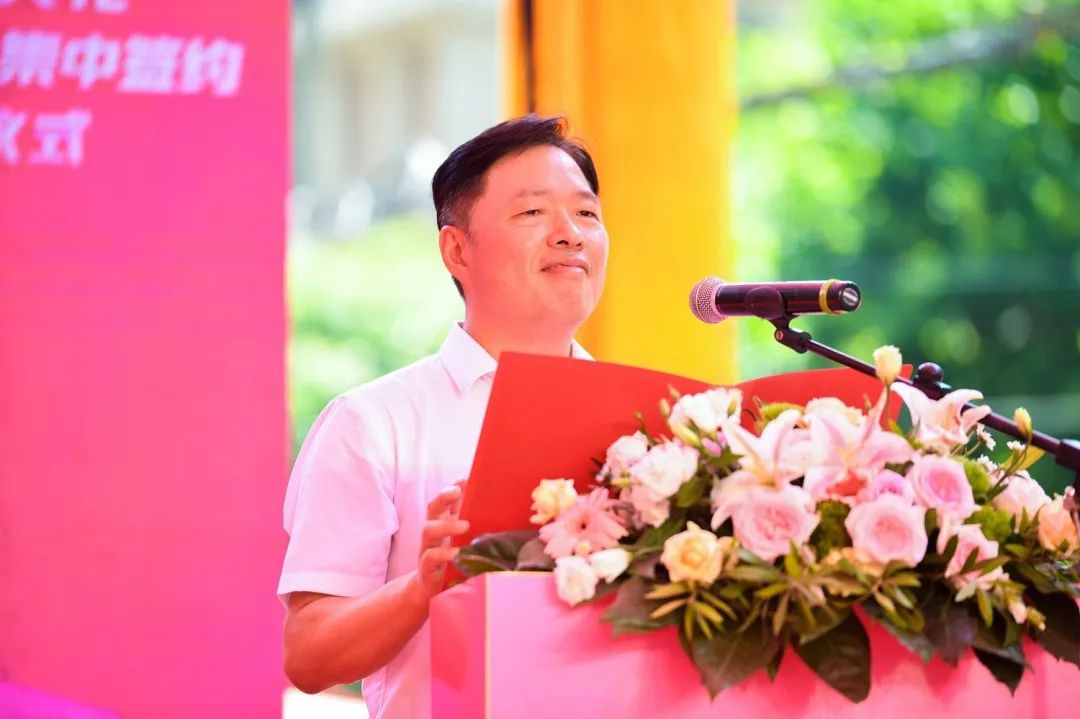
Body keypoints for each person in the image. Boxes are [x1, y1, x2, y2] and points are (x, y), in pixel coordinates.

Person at [278, 114, 609, 719]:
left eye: (586, 213)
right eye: (533, 212)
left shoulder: (649, 422)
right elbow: (310, 655)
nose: (570, 234)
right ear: (458, 250)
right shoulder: (374, 423)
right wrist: (423, 586)